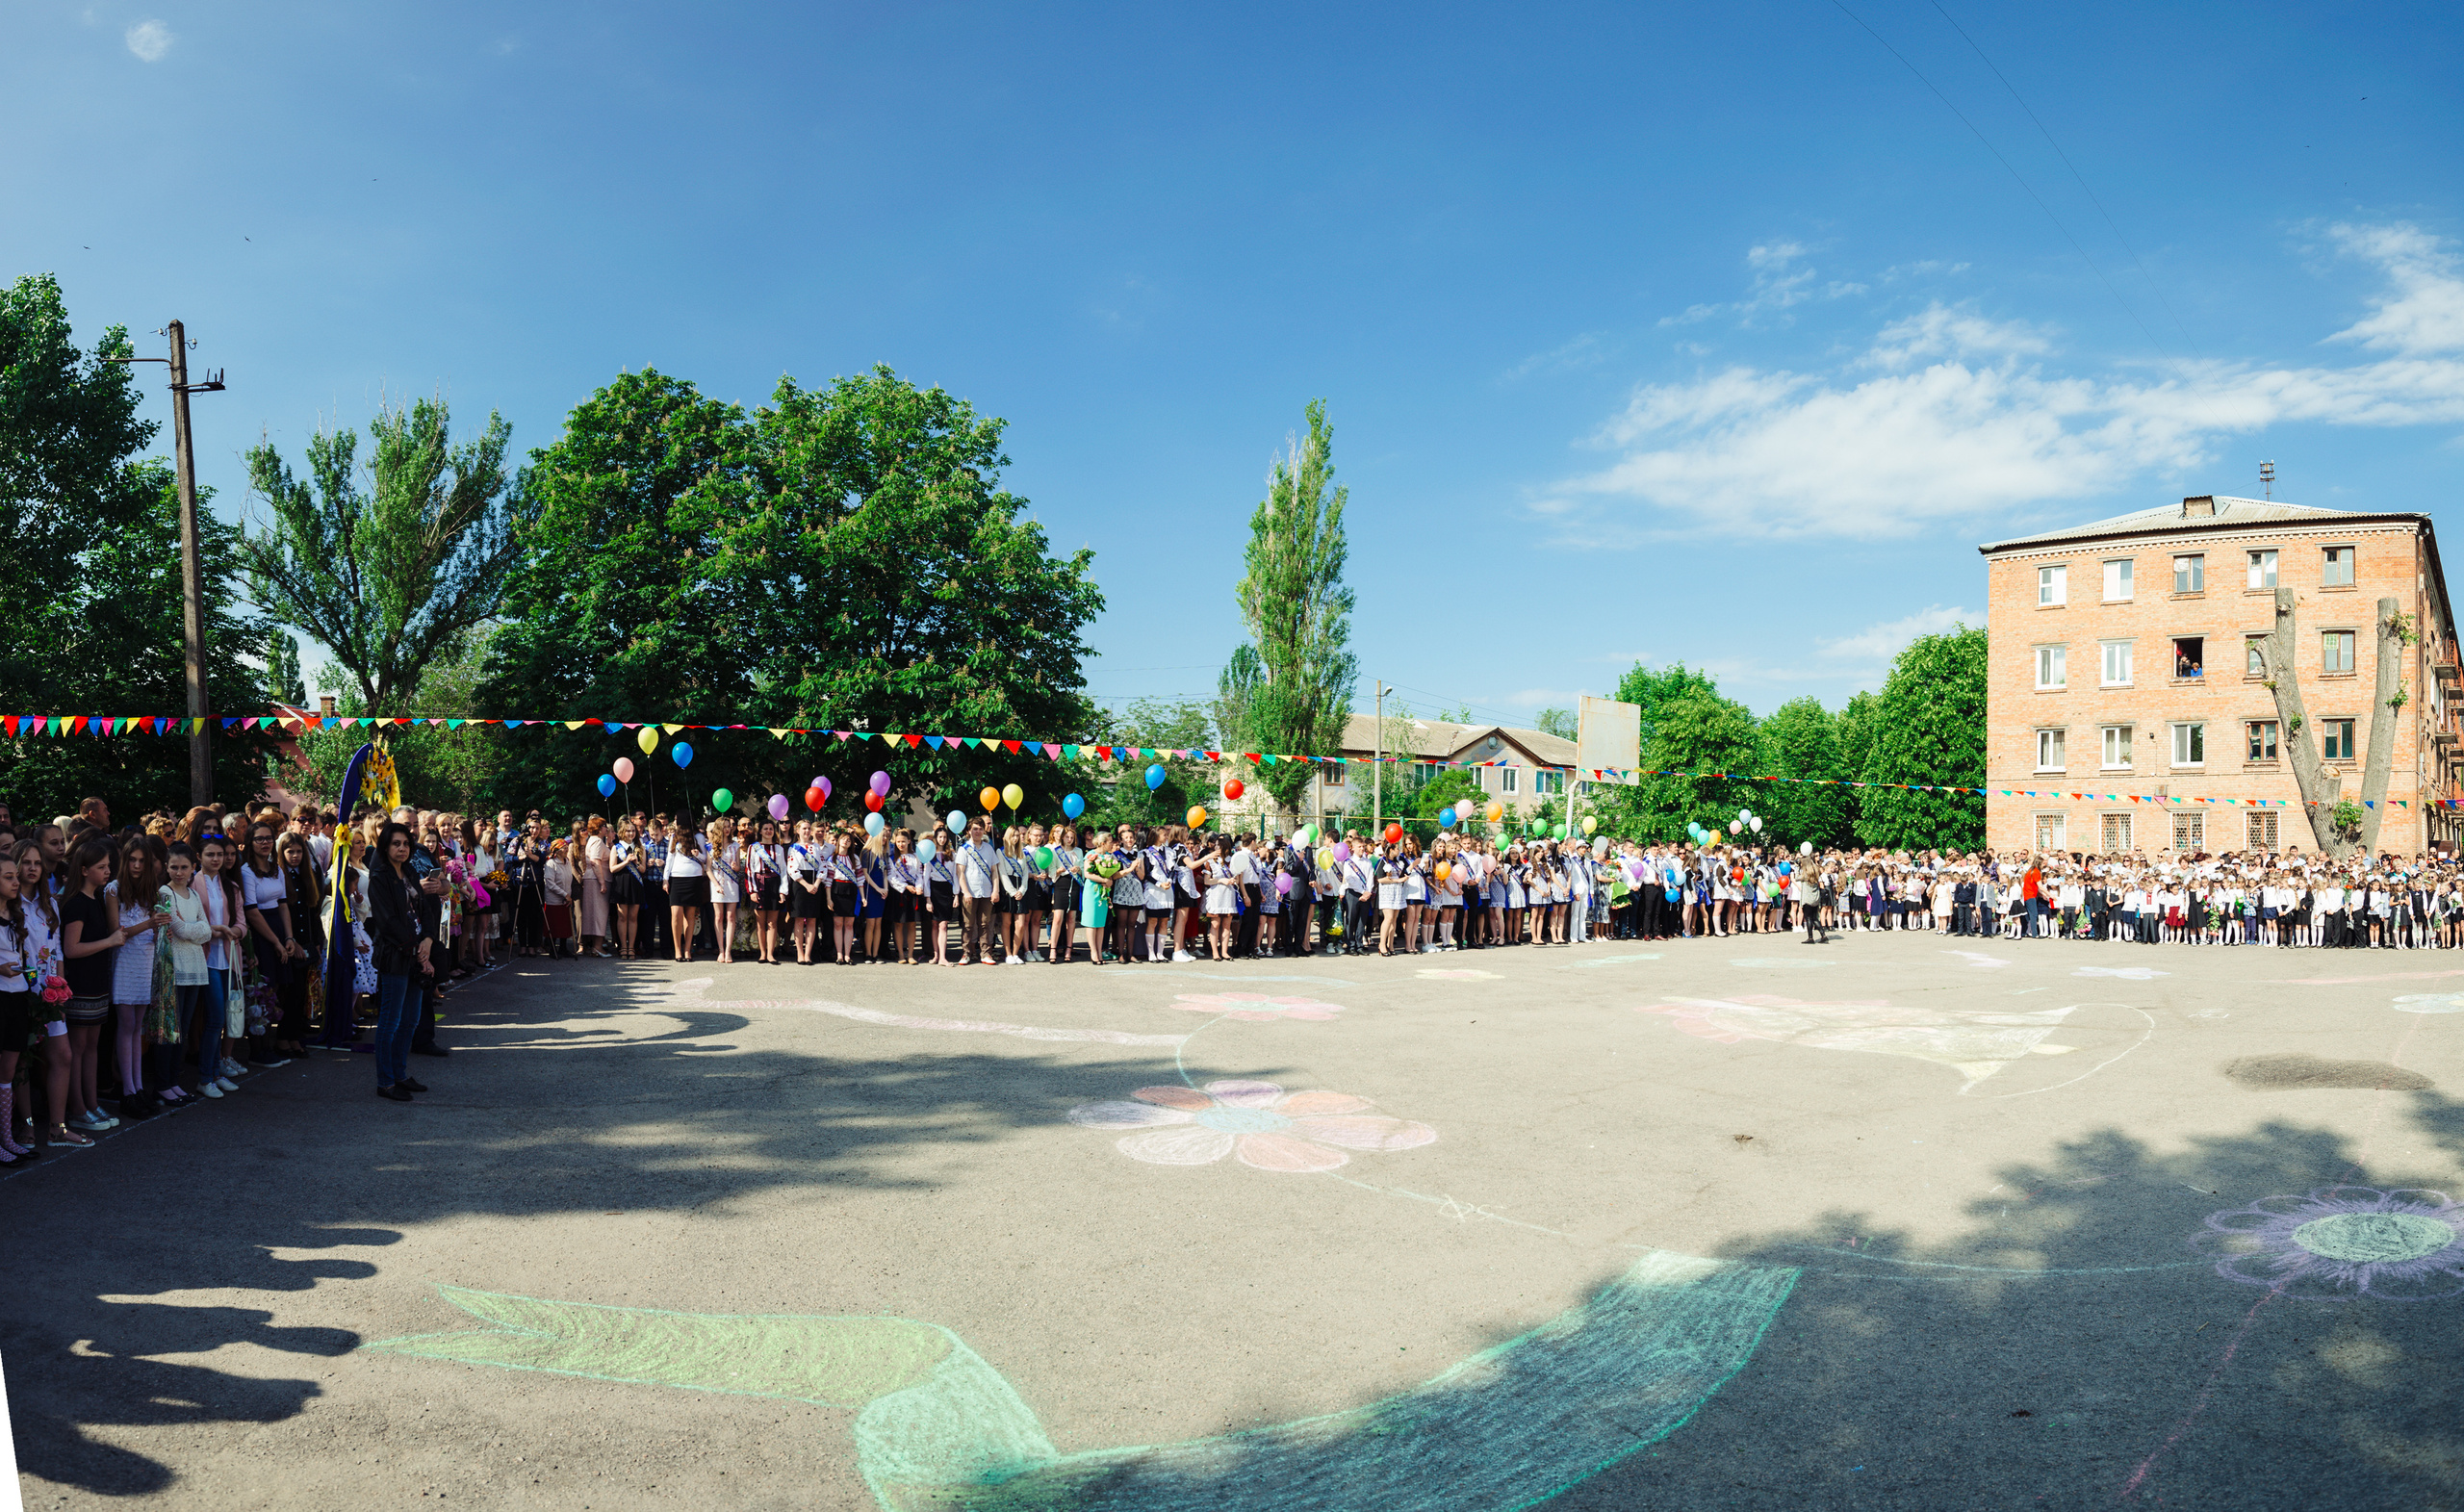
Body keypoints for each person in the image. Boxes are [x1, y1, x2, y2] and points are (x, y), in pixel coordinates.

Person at [366, 822, 432, 1102]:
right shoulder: (379, 877)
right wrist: (416, 946)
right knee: (390, 1022)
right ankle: (386, 1081)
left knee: (410, 1021)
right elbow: (387, 921)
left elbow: (425, 908)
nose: (402, 848)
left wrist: (428, 940)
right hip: (396, 955)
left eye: (406, 844)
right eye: (396, 844)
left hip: (418, 952)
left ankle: (401, 1074)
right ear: (385, 846)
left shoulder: (409, 872)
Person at [663, 821, 707, 962]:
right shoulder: (674, 837)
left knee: (690, 915)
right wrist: (665, 879)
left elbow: (705, 859)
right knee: (676, 914)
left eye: (678, 821)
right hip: (676, 878)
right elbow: (669, 858)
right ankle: (677, 950)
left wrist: (698, 855)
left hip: (694, 878)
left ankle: (687, 949)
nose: (676, 824)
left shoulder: (698, 837)